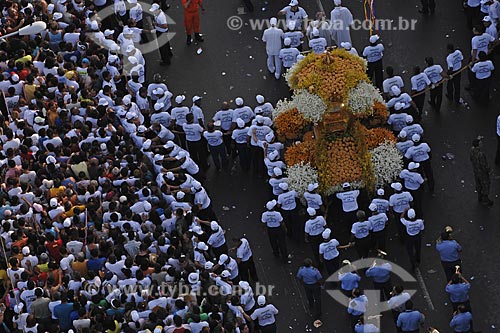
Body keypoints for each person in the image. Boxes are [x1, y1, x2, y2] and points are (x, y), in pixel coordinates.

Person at [262, 200, 291, 264]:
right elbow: (281, 222)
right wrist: (285, 228)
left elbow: (264, 223)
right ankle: (284, 256)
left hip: (270, 229)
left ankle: (276, 253)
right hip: (278, 229)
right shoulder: (277, 214)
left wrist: (264, 230)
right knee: (282, 243)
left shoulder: (264, 214)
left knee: (273, 242)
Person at [470, 137, 493, 206]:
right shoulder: (481, 154)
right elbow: (484, 165)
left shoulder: (472, 150)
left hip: (476, 171)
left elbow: (471, 159)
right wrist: (490, 171)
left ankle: (479, 197)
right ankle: (485, 200)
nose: (482, 144)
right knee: (486, 185)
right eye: (480, 144)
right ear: (477, 146)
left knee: (478, 184)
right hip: (482, 173)